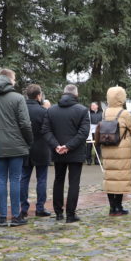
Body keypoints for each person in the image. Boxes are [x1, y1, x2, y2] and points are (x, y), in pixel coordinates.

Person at [0, 68, 33, 227]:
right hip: (17, 145)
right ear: (10, 80)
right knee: (15, 179)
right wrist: (29, 141)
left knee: (1, 180)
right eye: (15, 78)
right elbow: (25, 124)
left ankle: (2, 216)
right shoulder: (18, 98)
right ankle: (16, 216)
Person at [43, 84, 91, 223]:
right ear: (76, 94)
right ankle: (70, 214)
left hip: (59, 151)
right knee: (74, 182)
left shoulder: (51, 110)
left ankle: (58, 213)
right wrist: (68, 146)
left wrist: (57, 145)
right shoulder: (82, 110)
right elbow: (83, 133)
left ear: (64, 93)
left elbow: (46, 130)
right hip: (74, 151)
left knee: (58, 180)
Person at [100, 86, 131, 216]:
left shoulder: (105, 112)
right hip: (122, 149)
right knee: (120, 177)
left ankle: (112, 208)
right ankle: (118, 206)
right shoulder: (124, 113)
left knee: (110, 177)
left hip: (107, 148)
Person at [20, 84, 51, 220]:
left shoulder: (21, 110)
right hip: (41, 148)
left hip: (24, 147)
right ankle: (40, 208)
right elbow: (48, 130)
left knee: (23, 178)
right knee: (42, 179)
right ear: (39, 96)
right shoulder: (44, 111)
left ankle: (23, 208)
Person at [86, 100, 104, 165]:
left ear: (97, 106)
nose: (92, 107)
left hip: (98, 131)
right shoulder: (88, 113)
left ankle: (97, 160)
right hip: (90, 132)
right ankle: (88, 160)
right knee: (89, 146)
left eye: (94, 105)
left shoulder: (101, 113)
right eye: (91, 105)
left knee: (98, 146)